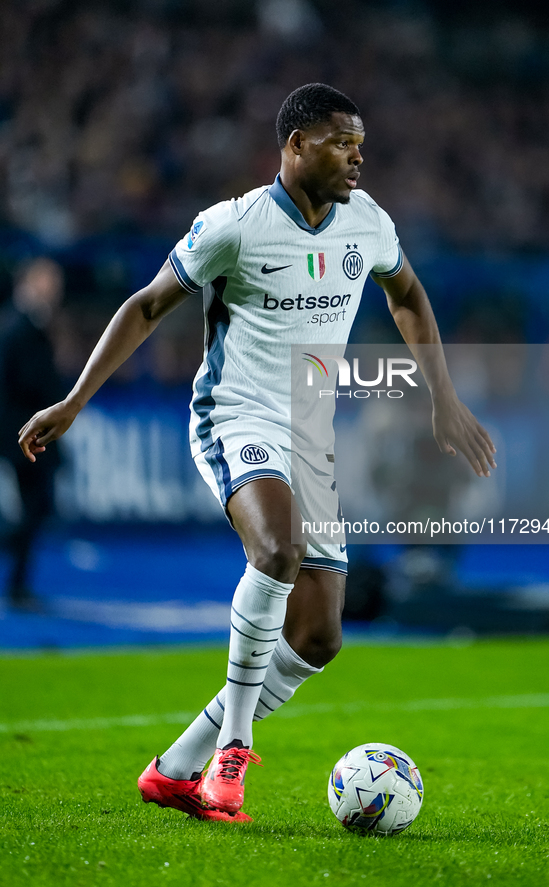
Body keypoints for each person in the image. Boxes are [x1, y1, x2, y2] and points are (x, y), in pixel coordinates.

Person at [19, 84, 496, 821]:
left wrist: (442, 395)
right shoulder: (232, 226)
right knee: (277, 549)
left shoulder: (366, 223)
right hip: (233, 414)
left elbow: (406, 293)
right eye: (342, 141)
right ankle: (231, 755)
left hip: (311, 431)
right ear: (296, 143)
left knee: (318, 635)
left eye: (361, 143)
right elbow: (145, 303)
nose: (357, 157)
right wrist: (74, 401)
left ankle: (175, 766)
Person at [1, 257, 64, 610]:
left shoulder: (27, 325)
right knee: (33, 508)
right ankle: (18, 585)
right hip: (24, 436)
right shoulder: (21, 327)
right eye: (47, 281)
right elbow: (28, 383)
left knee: (36, 509)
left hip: (29, 436)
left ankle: (19, 583)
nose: (54, 288)